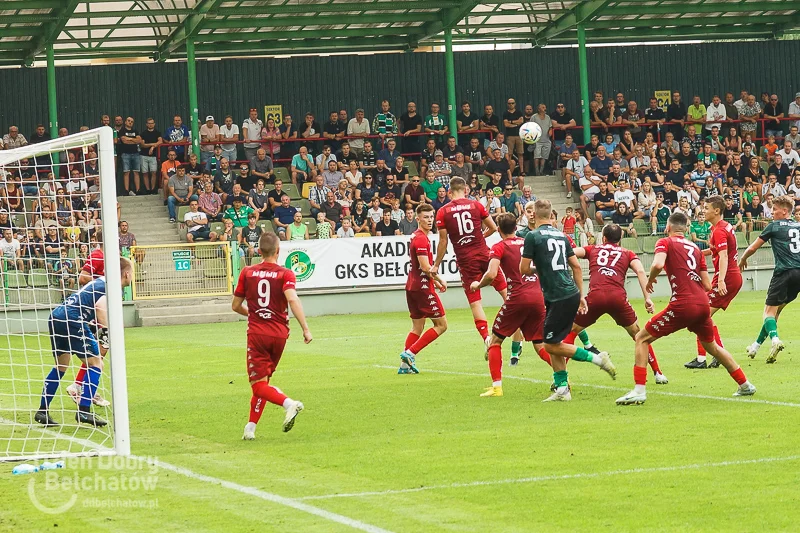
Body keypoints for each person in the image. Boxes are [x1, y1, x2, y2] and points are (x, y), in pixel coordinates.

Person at [616, 212, 756, 405]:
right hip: (702, 303)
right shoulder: (696, 249)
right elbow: (707, 285)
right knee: (712, 347)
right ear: (686, 228)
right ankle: (745, 384)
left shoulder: (665, 242)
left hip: (683, 304)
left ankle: (639, 390)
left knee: (641, 338)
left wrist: (650, 280)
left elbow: (657, 263)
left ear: (668, 227)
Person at [520, 199, 616, 401]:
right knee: (554, 340)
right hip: (568, 293)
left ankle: (598, 359)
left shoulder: (532, 236)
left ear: (535, 215)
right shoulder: (562, 236)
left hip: (558, 295)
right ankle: (562, 389)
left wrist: (540, 269)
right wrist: (581, 295)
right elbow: (577, 267)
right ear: (551, 215)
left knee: (550, 345)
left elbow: (523, 269)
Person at [35, 258, 134, 427]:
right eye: (132, 273)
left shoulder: (101, 281)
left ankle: (42, 411)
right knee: (97, 364)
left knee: (61, 366)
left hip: (58, 315)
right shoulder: (110, 287)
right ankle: (84, 411)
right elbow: (100, 308)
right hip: (73, 319)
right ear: (126, 273)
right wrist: (108, 335)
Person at [233, 233, 311, 439]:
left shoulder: (248, 273)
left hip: (258, 334)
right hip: (279, 335)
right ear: (278, 251)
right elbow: (293, 300)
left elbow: (235, 306)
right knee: (263, 383)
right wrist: (305, 328)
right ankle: (250, 428)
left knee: (258, 385)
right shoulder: (286, 274)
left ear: (259, 251)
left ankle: (289, 404)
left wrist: (255, 313)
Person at [571, 224, 668, 384]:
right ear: (620, 239)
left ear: (603, 238)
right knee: (640, 336)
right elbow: (640, 271)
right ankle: (658, 373)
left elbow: (572, 253)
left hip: (595, 297)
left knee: (571, 331)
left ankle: (561, 379)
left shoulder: (593, 249)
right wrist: (648, 298)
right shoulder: (628, 253)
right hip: (618, 299)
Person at [470, 213, 548, 396]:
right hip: (538, 297)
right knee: (540, 344)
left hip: (518, 298)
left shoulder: (499, 247)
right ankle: (562, 378)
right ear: (515, 228)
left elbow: (491, 274)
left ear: (498, 229)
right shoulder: (528, 243)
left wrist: (477, 284)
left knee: (495, 340)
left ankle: (497, 387)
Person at [433, 177, 507, 353]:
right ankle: (516, 325)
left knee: (476, 302)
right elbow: (493, 228)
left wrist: (436, 264)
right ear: (465, 189)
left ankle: (487, 338)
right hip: (484, 254)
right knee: (505, 292)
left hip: (466, 260)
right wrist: (480, 237)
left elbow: (443, 242)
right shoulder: (476, 205)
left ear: (449, 191)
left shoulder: (443, 211)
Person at [739, 195, 800, 363]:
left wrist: (742, 259)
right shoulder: (798, 226)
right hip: (799, 273)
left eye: (775, 209)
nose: (772, 212)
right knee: (775, 312)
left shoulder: (774, 226)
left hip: (783, 272)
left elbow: (753, 247)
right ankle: (756, 346)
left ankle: (775, 340)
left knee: (767, 313)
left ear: (785, 211)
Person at [398, 204, 448, 374]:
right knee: (441, 325)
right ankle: (410, 353)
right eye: (425, 217)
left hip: (412, 286)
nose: (429, 220)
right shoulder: (420, 239)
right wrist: (439, 279)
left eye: (431, 217)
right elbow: (425, 267)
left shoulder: (418, 237)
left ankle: (405, 366)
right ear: (417, 219)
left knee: (417, 327)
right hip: (422, 288)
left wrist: (436, 282)